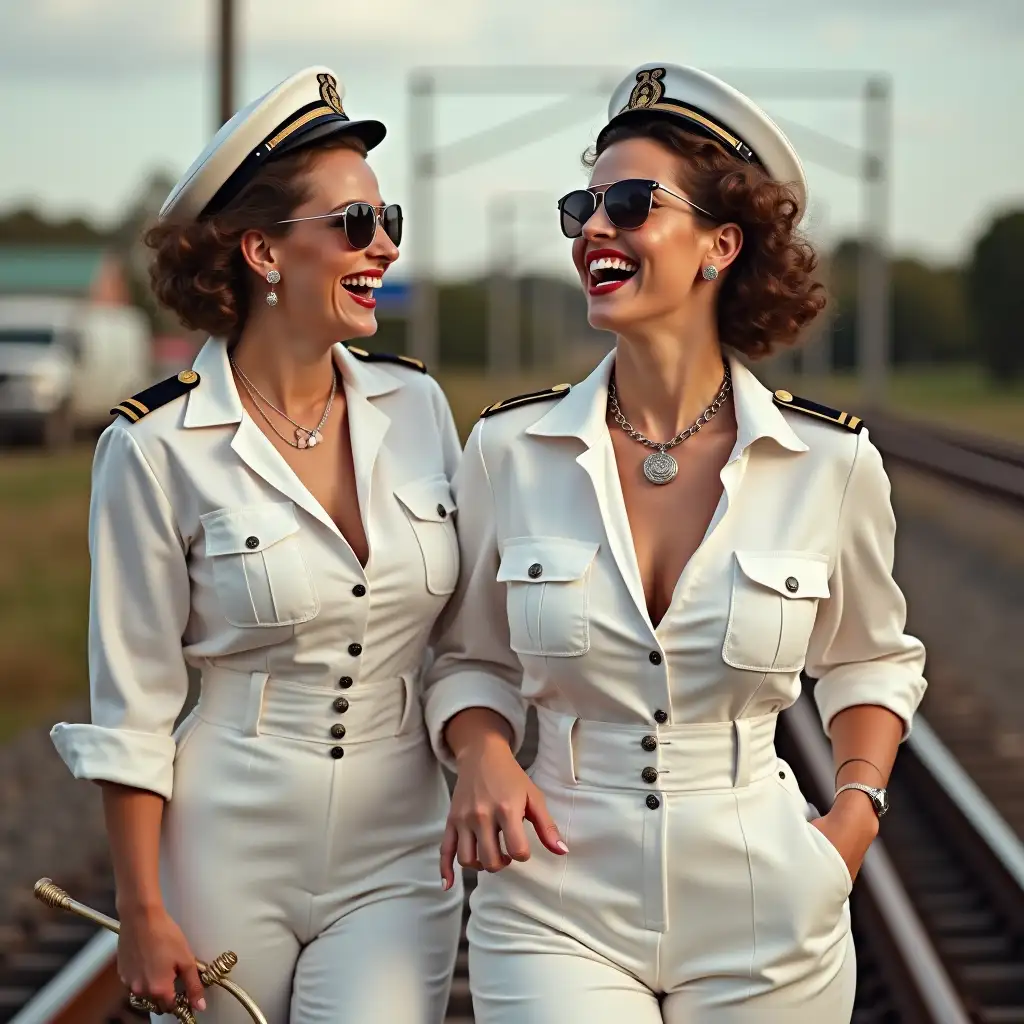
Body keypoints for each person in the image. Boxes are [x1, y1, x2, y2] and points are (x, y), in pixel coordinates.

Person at [424, 63, 927, 1023]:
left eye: (629, 204)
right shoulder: (507, 452)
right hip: (556, 898)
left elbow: (870, 664)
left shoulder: (830, 464)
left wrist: (852, 822)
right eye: (584, 205)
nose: (593, 230)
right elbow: (465, 658)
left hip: (767, 906)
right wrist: (484, 749)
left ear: (719, 244)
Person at [50, 66, 463, 1023]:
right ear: (263, 252)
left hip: (400, 842)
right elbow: (136, 700)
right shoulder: (153, 446)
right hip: (226, 845)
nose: (386, 245)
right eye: (356, 223)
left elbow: (464, 639)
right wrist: (142, 907)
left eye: (387, 217)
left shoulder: (418, 407)